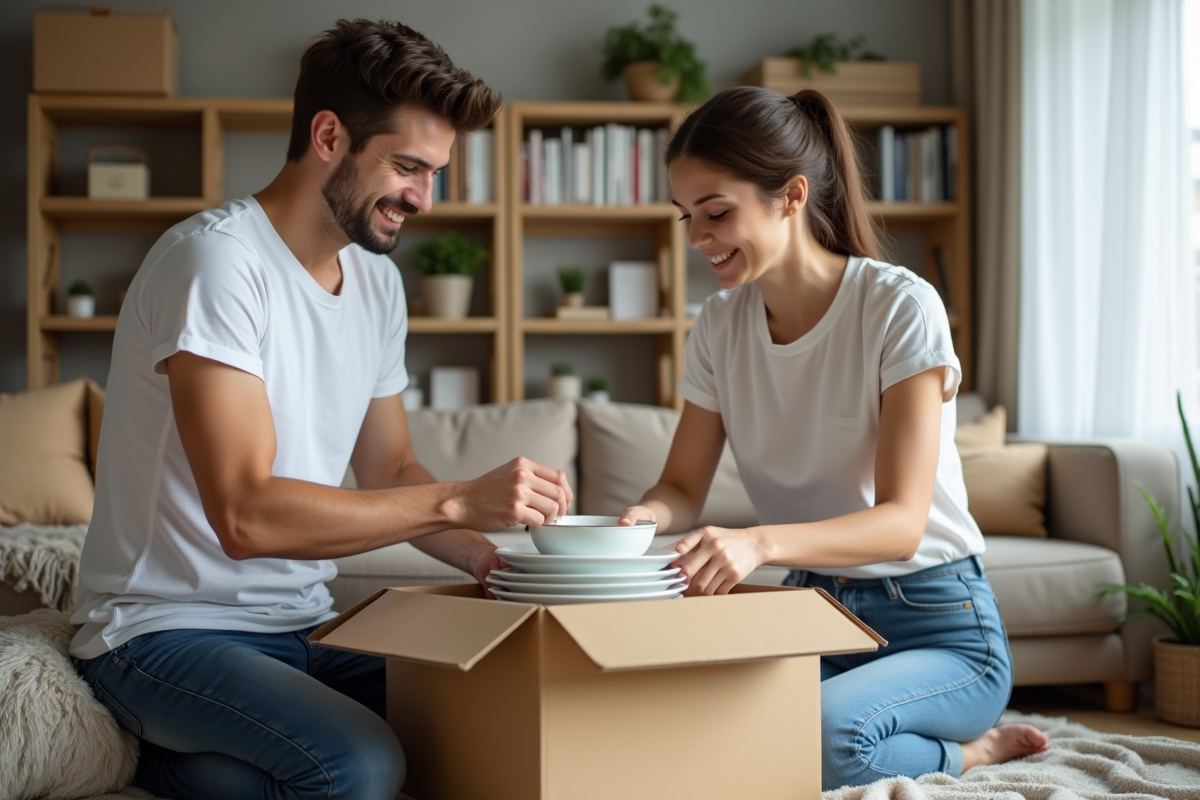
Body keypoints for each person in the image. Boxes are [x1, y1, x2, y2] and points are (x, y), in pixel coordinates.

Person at [70, 20, 571, 800]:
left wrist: (486, 558)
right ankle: (157, 756)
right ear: (329, 135)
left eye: (435, 173)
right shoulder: (217, 265)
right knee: (359, 765)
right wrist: (461, 497)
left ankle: (191, 769)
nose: (423, 198)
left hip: (302, 624)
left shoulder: (374, 283)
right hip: (162, 631)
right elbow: (246, 517)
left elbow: (390, 466)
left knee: (495, 709)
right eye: (407, 166)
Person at [619, 86, 1050, 791]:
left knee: (822, 736)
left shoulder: (899, 306)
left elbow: (902, 524)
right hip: (813, 611)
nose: (698, 240)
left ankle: (972, 753)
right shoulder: (720, 326)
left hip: (941, 623)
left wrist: (758, 541)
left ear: (791, 196)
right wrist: (640, 522)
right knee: (691, 726)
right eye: (687, 217)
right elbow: (681, 488)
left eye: (717, 213)